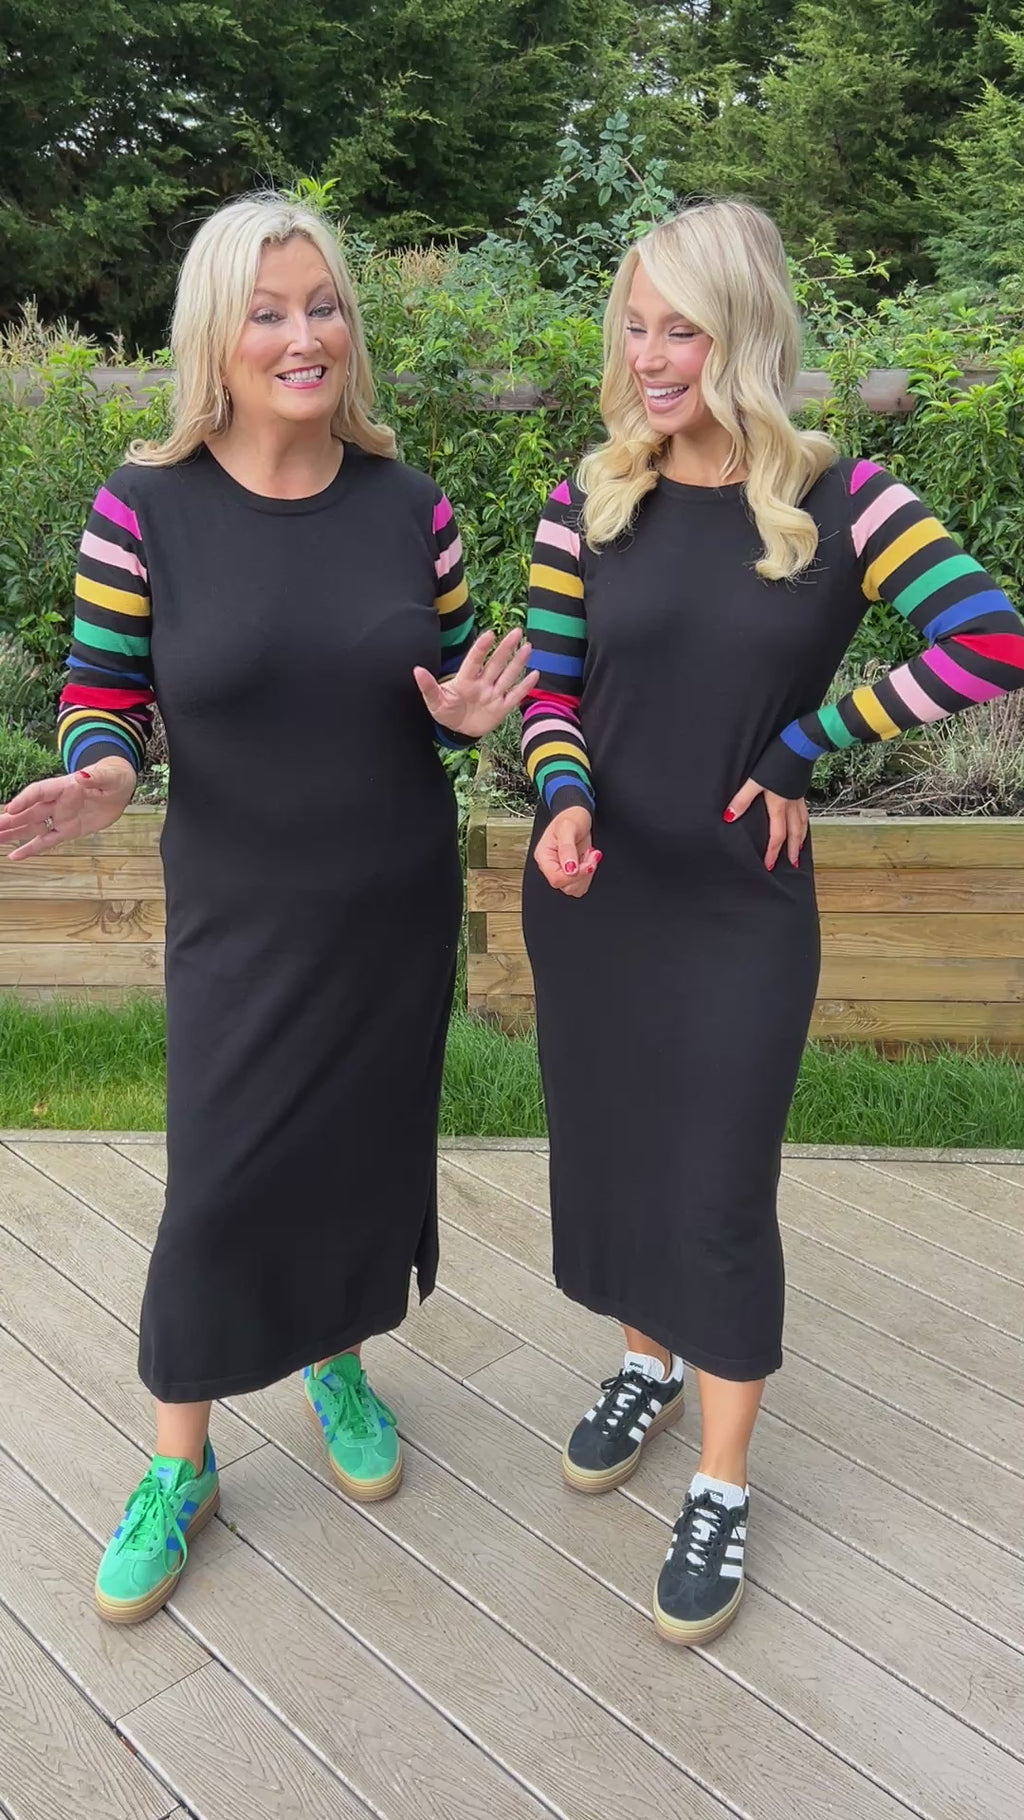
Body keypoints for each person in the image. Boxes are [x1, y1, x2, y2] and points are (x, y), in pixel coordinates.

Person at [0, 193, 535, 1625]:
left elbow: (439, 691)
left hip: (390, 899)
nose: (305, 336)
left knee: (361, 1150)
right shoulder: (145, 508)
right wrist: (102, 774)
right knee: (219, 1178)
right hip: (239, 908)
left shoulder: (410, 505)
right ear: (215, 338)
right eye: (269, 311)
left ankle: (336, 1358)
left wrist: (466, 718)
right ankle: (180, 1462)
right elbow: (105, 694)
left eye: (324, 305)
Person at [520, 198, 1024, 1648]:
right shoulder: (588, 497)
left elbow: (991, 638)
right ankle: (647, 1363)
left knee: (721, 1181)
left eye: (681, 328)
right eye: (635, 325)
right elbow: (553, 691)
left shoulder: (848, 500)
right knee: (617, 1153)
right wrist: (561, 798)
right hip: (598, 896)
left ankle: (724, 1484)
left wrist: (811, 742)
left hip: (742, 907)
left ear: (743, 334)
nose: (649, 356)